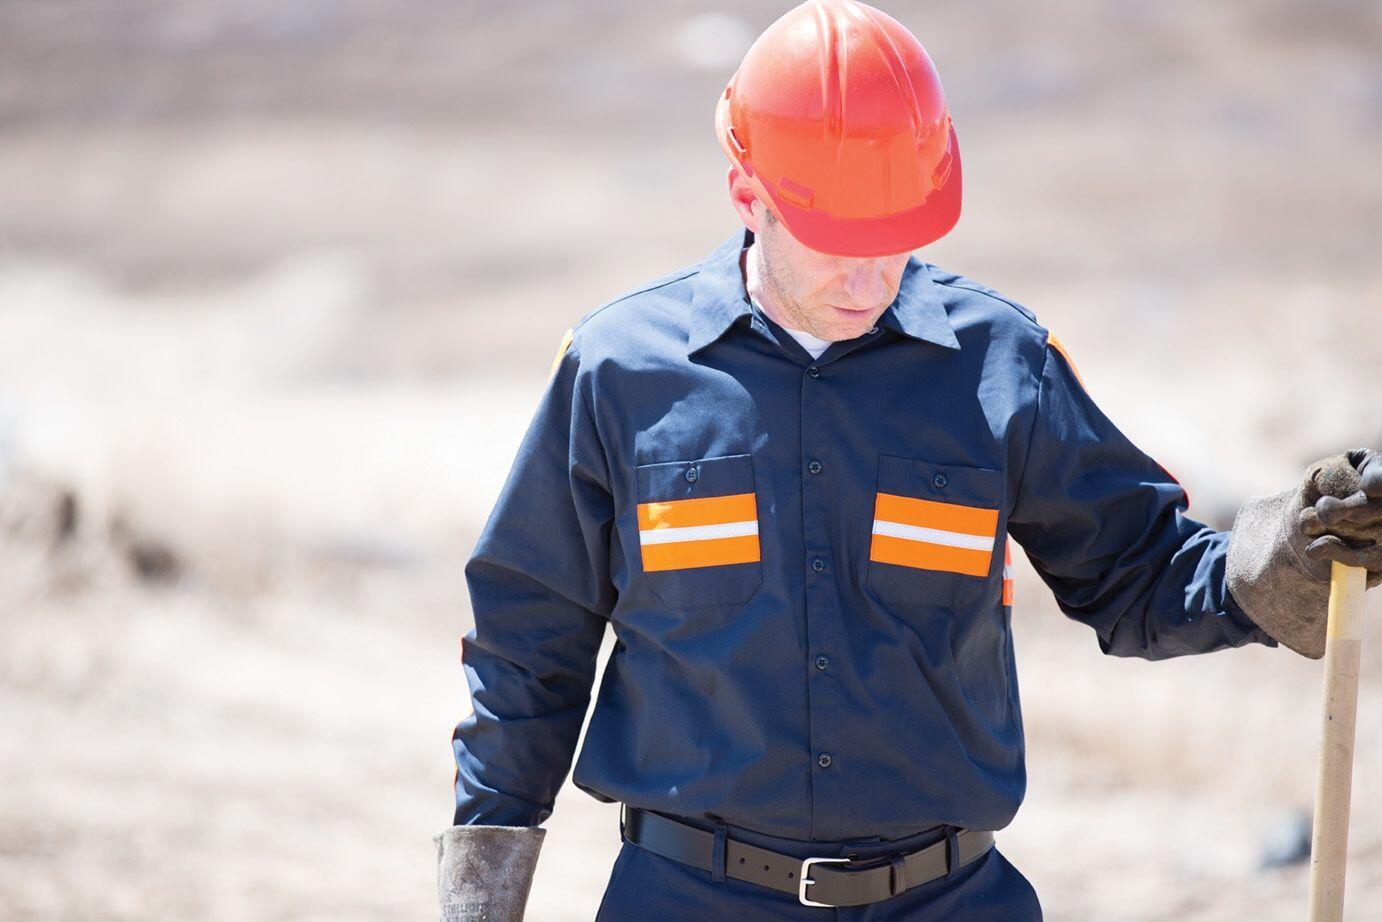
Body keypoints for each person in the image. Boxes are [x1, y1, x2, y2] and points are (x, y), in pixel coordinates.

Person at [436, 1, 1382, 918]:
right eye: (838, 244)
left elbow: (1140, 574)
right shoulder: (618, 373)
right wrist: (481, 901)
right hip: (688, 897)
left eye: (894, 241)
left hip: (949, 898)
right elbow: (529, 648)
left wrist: (1292, 551)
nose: (869, 279)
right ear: (748, 196)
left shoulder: (1002, 366)